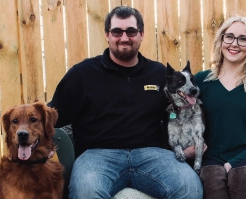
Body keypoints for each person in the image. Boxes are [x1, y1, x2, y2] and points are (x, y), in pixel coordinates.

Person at [49, 6, 203, 199]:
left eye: (131, 31)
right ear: (107, 34)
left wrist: (185, 141)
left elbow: (172, 114)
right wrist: (41, 144)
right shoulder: (82, 74)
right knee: (86, 192)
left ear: (141, 34)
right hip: (98, 156)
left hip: (152, 155)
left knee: (190, 188)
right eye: (117, 31)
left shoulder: (159, 74)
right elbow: (52, 117)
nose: (124, 38)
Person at [193, 16, 246, 199]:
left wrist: (233, 163)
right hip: (212, 160)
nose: (234, 44)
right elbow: (179, 115)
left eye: (242, 39)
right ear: (221, 39)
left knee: (241, 175)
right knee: (212, 176)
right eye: (229, 36)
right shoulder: (202, 80)